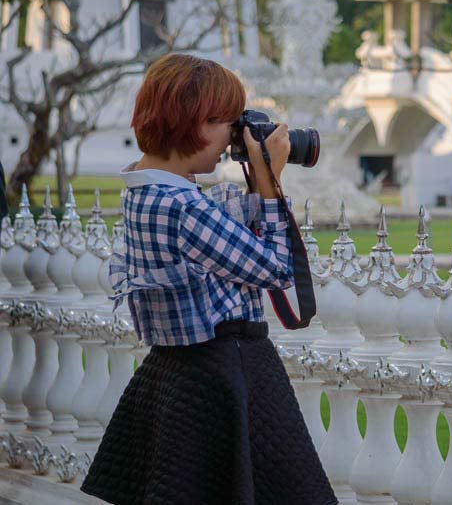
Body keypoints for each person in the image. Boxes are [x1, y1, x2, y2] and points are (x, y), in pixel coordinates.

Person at [80, 54, 336, 505]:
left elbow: (233, 249)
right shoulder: (183, 208)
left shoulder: (145, 192)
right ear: (196, 122)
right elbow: (276, 269)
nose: (232, 139)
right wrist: (270, 179)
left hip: (179, 371)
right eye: (227, 125)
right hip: (229, 368)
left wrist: (257, 180)